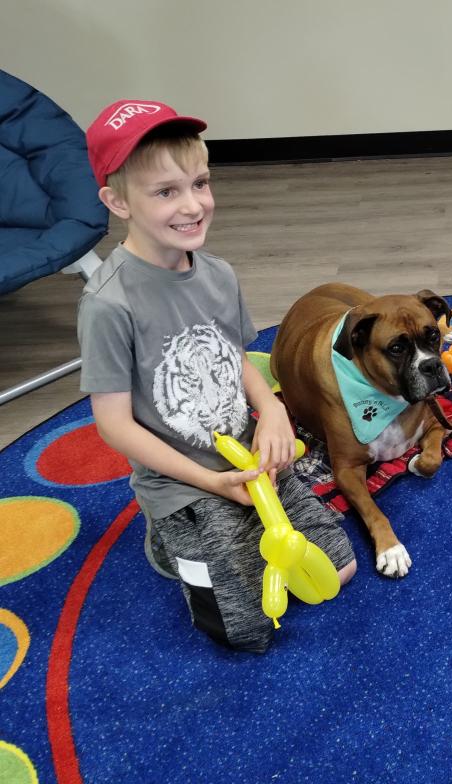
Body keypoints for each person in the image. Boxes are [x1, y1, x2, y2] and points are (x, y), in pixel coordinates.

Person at [78, 100, 357, 652]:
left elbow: (236, 359)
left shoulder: (218, 274)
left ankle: (234, 533)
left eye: (200, 183)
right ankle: (166, 541)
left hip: (252, 462)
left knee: (339, 571)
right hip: (182, 484)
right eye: (165, 192)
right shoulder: (108, 305)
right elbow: (113, 425)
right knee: (244, 628)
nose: (193, 205)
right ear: (117, 202)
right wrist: (208, 483)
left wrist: (273, 410)